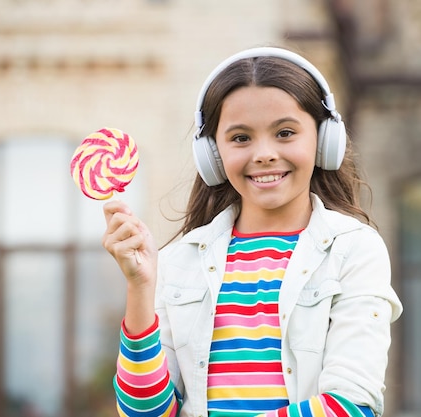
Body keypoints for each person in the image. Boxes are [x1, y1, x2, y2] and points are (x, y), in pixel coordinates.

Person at [102, 46, 403, 417]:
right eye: (241, 138)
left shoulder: (355, 250)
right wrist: (140, 287)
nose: (263, 153)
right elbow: (144, 413)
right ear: (212, 155)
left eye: (285, 132)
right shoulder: (177, 262)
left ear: (325, 140)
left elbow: (351, 406)